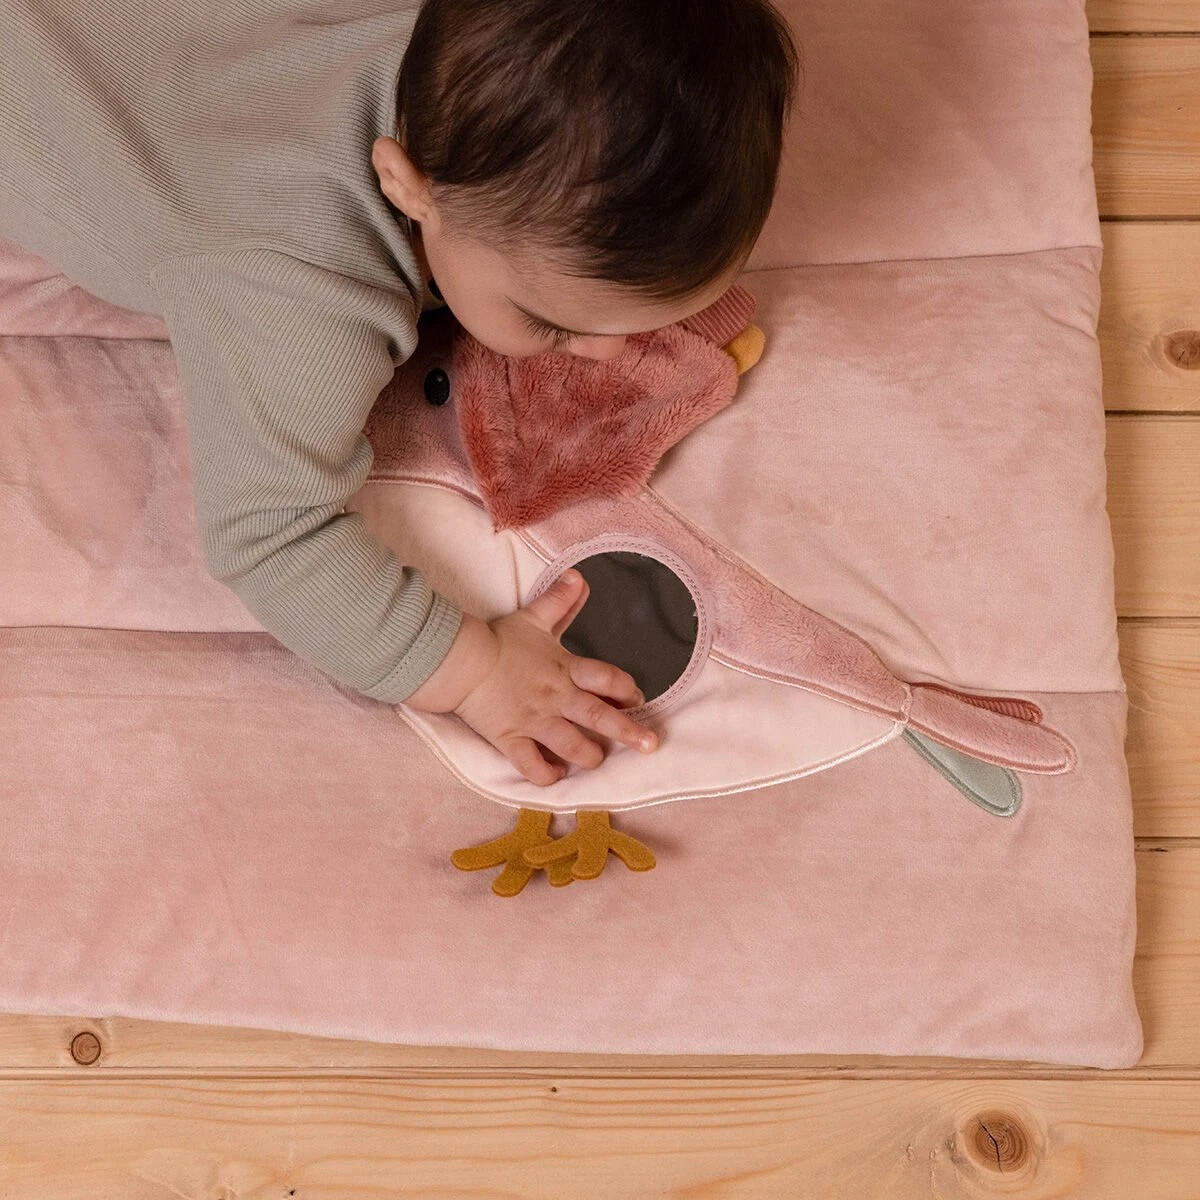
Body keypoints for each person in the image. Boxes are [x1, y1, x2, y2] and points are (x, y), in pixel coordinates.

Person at [0, 0, 800, 786]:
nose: (610, 352)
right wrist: (474, 671)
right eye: (552, 323)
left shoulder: (477, 40)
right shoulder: (302, 292)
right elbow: (272, 535)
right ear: (406, 184)